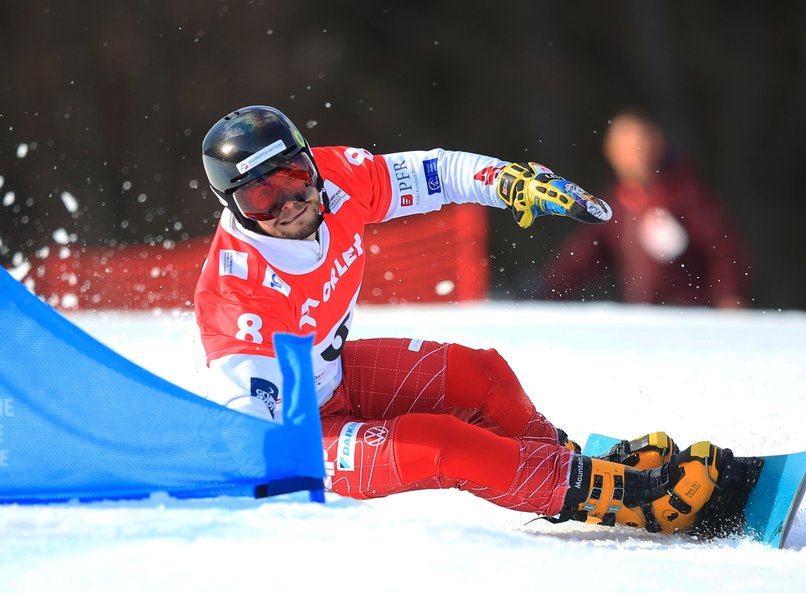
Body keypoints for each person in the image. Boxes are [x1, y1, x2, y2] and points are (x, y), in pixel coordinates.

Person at [195, 105, 753, 536]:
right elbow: (255, 435)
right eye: (259, 197)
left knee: (478, 372)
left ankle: (566, 467)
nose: (287, 202)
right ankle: (618, 498)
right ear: (231, 206)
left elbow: (437, 173)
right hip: (305, 438)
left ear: (310, 162)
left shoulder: (338, 179)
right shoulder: (236, 291)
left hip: (335, 376)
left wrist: (510, 181)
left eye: (292, 176)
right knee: (447, 445)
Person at [544, 107, 748, 307]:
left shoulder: (684, 192)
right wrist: (545, 293)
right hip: (644, 320)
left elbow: (723, 247)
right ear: (610, 152)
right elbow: (582, 258)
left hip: (692, 317)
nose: (636, 156)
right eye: (626, 149)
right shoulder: (612, 205)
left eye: (641, 145)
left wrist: (730, 296)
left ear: (658, 145)